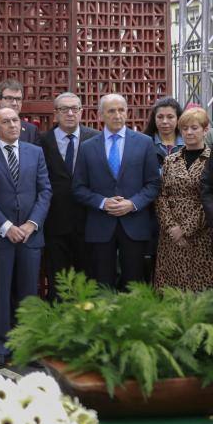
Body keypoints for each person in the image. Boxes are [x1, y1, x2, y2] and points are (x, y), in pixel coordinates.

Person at [0, 107, 51, 369]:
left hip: (30, 236)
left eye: (15, 120)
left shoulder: (36, 152)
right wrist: (7, 226)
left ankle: (28, 348)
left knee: (29, 293)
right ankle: (0, 348)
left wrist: (31, 224)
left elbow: (45, 191)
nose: (12, 125)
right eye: (5, 122)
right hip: (0, 237)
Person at [73, 94, 161, 289]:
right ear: (100, 115)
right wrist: (103, 203)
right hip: (100, 227)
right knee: (102, 285)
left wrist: (132, 203)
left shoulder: (144, 142)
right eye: (111, 111)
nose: (117, 115)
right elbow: (78, 188)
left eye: (121, 110)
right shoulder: (87, 148)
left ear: (127, 113)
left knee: (134, 285)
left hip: (134, 225)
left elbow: (153, 184)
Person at [39, 93, 99, 300]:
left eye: (75, 108)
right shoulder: (42, 142)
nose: (70, 113)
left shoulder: (95, 139)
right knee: (58, 282)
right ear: (55, 114)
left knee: (88, 282)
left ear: (82, 111)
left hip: (89, 222)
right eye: (64, 109)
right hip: (55, 223)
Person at [156, 108, 213, 291]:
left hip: (202, 234)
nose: (189, 132)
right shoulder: (170, 160)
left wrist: (186, 229)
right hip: (171, 235)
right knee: (173, 287)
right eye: (185, 128)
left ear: (205, 130)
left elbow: (209, 198)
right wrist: (172, 227)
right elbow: (161, 196)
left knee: (200, 288)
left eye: (194, 128)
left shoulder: (210, 159)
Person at [143, 97, 184, 169]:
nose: (164, 121)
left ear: (178, 118)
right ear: (154, 119)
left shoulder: (188, 143)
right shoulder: (144, 144)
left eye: (170, 117)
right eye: (160, 117)